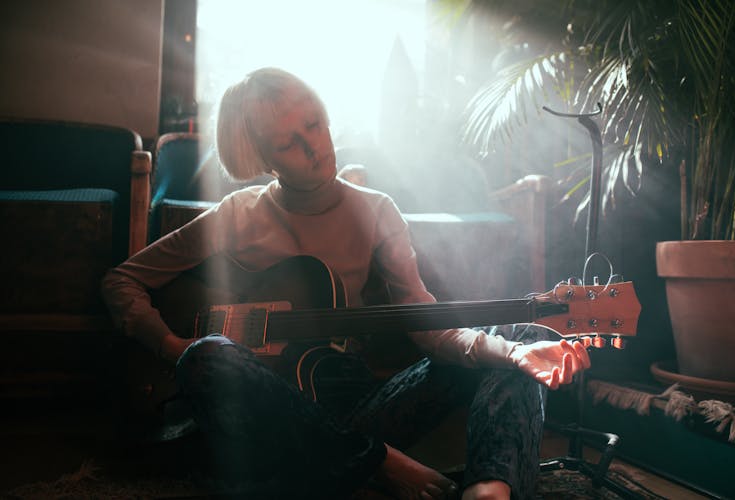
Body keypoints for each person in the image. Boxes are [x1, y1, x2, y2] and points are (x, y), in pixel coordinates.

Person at [102, 67, 591, 500]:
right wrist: (171, 346)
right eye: (288, 143)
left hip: (352, 413)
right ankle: (378, 464)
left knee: (526, 341)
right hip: (267, 428)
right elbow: (122, 282)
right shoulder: (236, 215)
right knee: (207, 356)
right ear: (262, 158)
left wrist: (509, 353)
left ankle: (489, 487)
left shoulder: (376, 210)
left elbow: (428, 329)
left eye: (313, 124)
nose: (314, 147)